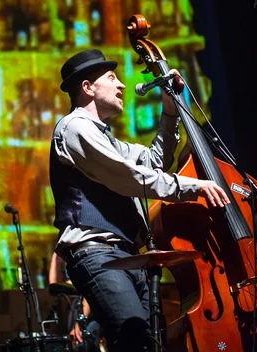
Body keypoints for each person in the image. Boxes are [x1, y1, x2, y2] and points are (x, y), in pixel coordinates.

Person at [50, 49, 230, 352]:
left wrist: (171, 109)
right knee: (138, 344)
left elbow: (155, 162)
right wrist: (194, 186)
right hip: (98, 255)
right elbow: (130, 177)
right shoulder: (74, 127)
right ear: (87, 87)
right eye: (112, 78)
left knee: (152, 344)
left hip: (127, 257)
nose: (121, 85)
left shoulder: (108, 139)